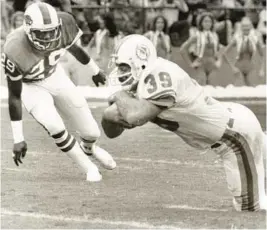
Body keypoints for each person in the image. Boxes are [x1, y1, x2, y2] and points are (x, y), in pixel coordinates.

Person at [102, 34, 267, 211]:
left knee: (252, 209)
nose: (120, 73)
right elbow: (111, 131)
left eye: (124, 67)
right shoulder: (144, 77)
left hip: (236, 137)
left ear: (141, 62)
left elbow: (136, 116)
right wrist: (108, 114)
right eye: (119, 67)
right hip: (235, 121)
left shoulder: (161, 76)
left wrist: (118, 96)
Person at [1, 2, 116, 182]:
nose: (48, 37)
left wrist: (94, 70)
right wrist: (18, 138)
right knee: (54, 125)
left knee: (92, 132)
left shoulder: (64, 23)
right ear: (29, 30)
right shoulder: (14, 48)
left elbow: (75, 48)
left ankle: (89, 148)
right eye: (42, 33)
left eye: (51, 31)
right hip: (31, 86)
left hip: (55, 76)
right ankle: (88, 167)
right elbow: (15, 96)